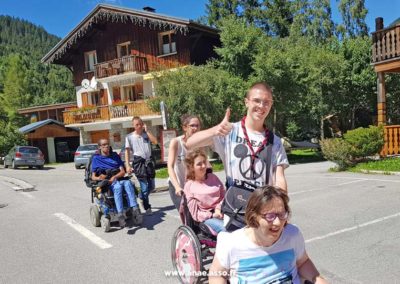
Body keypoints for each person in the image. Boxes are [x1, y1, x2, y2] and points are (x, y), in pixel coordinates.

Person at [209, 186, 328, 284]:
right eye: (270, 216)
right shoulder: (231, 243)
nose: (277, 222)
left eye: (282, 214)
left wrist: (317, 279)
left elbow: (302, 262)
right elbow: (217, 275)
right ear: (253, 216)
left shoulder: (292, 234)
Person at [186, 82, 288, 191]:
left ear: (271, 105)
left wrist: (281, 202)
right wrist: (216, 130)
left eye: (266, 102)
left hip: (263, 205)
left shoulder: (274, 141)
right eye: (257, 100)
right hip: (235, 204)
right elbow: (190, 143)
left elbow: (279, 178)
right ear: (246, 102)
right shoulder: (229, 132)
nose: (261, 106)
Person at [91, 139, 141, 227]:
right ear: (100, 147)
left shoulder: (115, 156)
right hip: (108, 182)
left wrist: (115, 177)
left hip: (118, 178)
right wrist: (99, 177)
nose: (106, 146)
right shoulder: (96, 159)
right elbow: (93, 177)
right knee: (118, 187)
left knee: (129, 183)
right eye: (103, 145)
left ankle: (135, 208)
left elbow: (122, 171)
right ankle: (120, 213)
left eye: (107, 144)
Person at [183, 149, 226, 234]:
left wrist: (218, 208)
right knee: (226, 230)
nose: (203, 166)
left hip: (223, 211)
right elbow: (195, 215)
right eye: (199, 164)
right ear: (192, 167)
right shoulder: (190, 186)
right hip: (208, 218)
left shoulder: (213, 177)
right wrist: (212, 215)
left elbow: (224, 196)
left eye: (204, 162)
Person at [167, 114, 202, 211]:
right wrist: (177, 187)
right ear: (185, 127)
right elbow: (170, 166)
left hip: (192, 186)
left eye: (198, 125)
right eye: (192, 125)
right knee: (185, 214)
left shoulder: (200, 144)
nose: (195, 128)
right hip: (177, 185)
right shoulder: (176, 142)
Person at [125, 116, 158, 215]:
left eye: (140, 124)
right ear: (133, 126)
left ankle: (141, 196)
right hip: (138, 163)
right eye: (136, 125)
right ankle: (147, 207)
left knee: (151, 187)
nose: (139, 126)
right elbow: (127, 152)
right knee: (144, 187)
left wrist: (147, 131)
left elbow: (155, 141)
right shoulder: (129, 137)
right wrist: (127, 165)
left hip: (149, 163)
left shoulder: (146, 135)